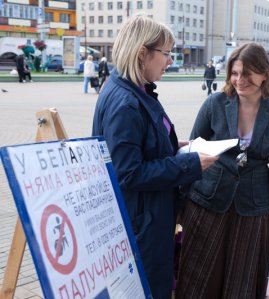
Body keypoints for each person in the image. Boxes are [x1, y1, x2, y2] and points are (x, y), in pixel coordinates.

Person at [91, 15, 217, 298]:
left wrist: (178, 145)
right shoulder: (125, 103)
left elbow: (143, 146)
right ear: (142, 53)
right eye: (166, 53)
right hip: (142, 225)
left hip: (149, 216)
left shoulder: (136, 91)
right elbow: (130, 173)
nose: (170, 60)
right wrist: (190, 163)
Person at [176, 42, 269, 299]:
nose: (240, 80)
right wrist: (181, 203)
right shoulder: (215, 103)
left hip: (253, 209)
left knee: (243, 282)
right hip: (207, 202)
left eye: (248, 73)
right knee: (199, 279)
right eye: (235, 73)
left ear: (264, 74)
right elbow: (192, 152)